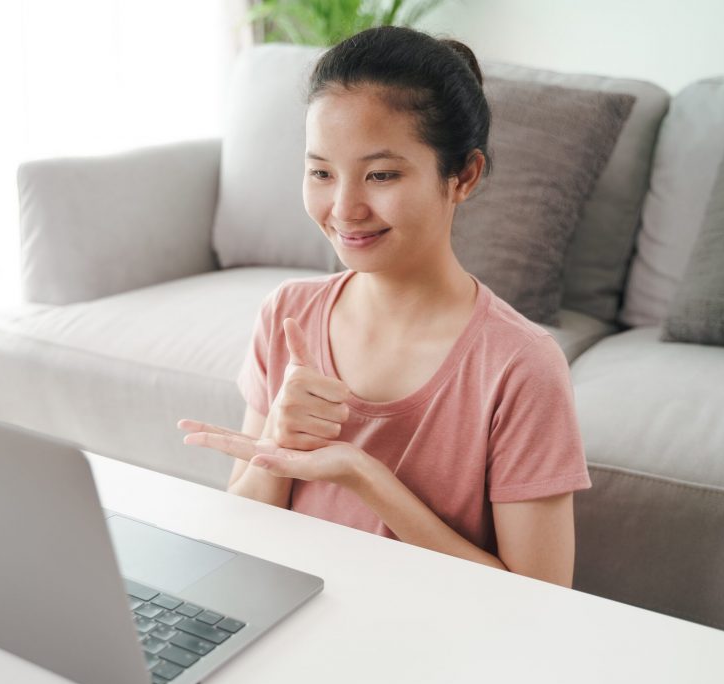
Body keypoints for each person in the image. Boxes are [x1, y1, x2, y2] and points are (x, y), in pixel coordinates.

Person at [178, 26, 591, 587]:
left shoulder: (521, 366)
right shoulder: (287, 315)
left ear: (463, 176)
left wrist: (364, 477)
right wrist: (278, 438)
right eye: (321, 172)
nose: (344, 208)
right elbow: (245, 525)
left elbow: (542, 598)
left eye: (381, 175)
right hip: (290, 621)